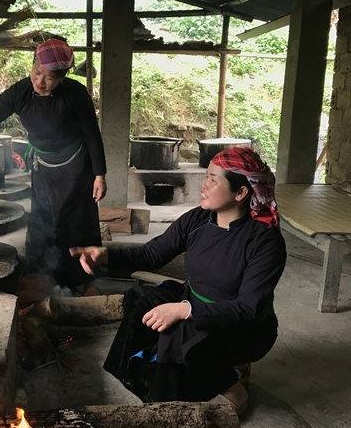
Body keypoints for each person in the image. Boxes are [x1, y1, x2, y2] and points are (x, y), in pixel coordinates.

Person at [70, 147, 286, 413]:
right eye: (206, 176)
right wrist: (105, 256)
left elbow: (247, 308)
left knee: (178, 332)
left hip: (244, 328)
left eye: (213, 180)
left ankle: (230, 387)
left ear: (241, 193)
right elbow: (151, 253)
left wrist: (185, 310)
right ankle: (156, 376)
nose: (204, 186)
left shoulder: (264, 241)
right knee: (142, 299)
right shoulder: (198, 219)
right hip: (196, 304)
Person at [0, 38, 107, 292]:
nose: (40, 81)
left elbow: (92, 135)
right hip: (42, 166)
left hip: (76, 168)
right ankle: (44, 274)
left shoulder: (75, 94)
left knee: (76, 223)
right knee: (43, 222)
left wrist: (99, 175)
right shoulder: (20, 92)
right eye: (37, 72)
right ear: (33, 65)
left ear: (62, 76)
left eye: (50, 77)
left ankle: (85, 281)